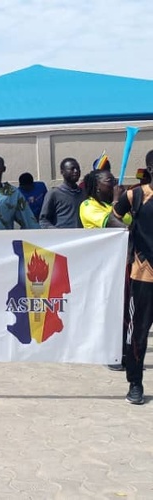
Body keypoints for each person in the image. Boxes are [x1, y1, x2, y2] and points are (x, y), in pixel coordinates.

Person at [112, 149, 153, 405]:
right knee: (138, 332)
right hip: (143, 275)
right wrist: (127, 230)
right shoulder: (135, 195)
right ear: (151, 168)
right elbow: (112, 218)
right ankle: (135, 383)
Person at [39, 158, 84, 228]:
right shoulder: (54, 194)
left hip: (82, 234)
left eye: (78, 169)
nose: (76, 171)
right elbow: (43, 220)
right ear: (62, 172)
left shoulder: (84, 193)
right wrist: (57, 231)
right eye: (72, 169)